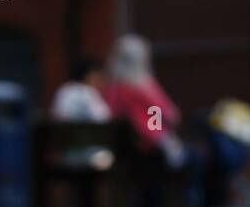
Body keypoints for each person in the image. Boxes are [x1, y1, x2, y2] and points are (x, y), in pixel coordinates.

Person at [102, 35, 185, 169]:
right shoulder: (144, 86)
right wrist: (157, 133)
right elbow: (168, 114)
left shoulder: (112, 89)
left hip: (122, 149)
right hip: (151, 144)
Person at [51, 58, 111, 123]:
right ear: (87, 76)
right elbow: (103, 118)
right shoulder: (88, 92)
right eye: (99, 77)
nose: (102, 82)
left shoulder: (63, 89)